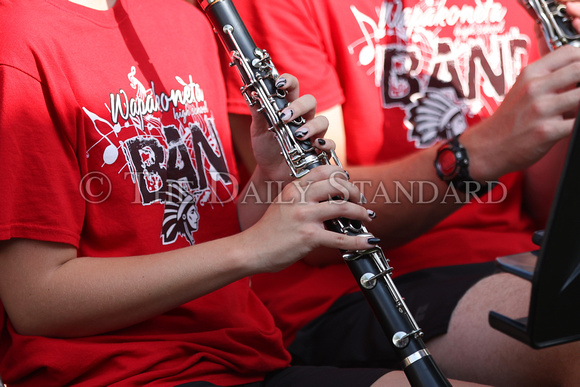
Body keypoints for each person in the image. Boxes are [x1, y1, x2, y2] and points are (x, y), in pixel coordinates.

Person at [0, 1, 493, 386]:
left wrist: (270, 178)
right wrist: (251, 249)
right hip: (121, 373)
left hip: (244, 359)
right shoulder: (19, 39)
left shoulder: (186, 19)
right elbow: (36, 298)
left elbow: (203, 231)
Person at [220, 0, 580, 386]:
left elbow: (543, 205)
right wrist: (476, 154)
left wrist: (563, 100)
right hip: (362, 291)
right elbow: (320, 224)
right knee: (568, 334)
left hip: (516, 260)